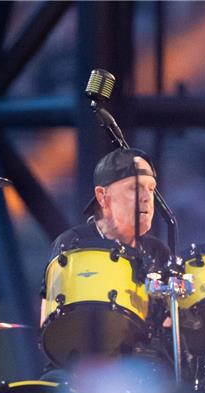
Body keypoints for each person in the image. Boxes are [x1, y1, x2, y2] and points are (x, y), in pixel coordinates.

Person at [40, 148, 171, 374]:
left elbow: (170, 324)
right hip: (78, 369)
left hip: (141, 372)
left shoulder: (157, 251)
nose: (147, 197)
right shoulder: (73, 243)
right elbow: (49, 321)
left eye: (151, 189)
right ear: (102, 196)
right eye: (135, 188)